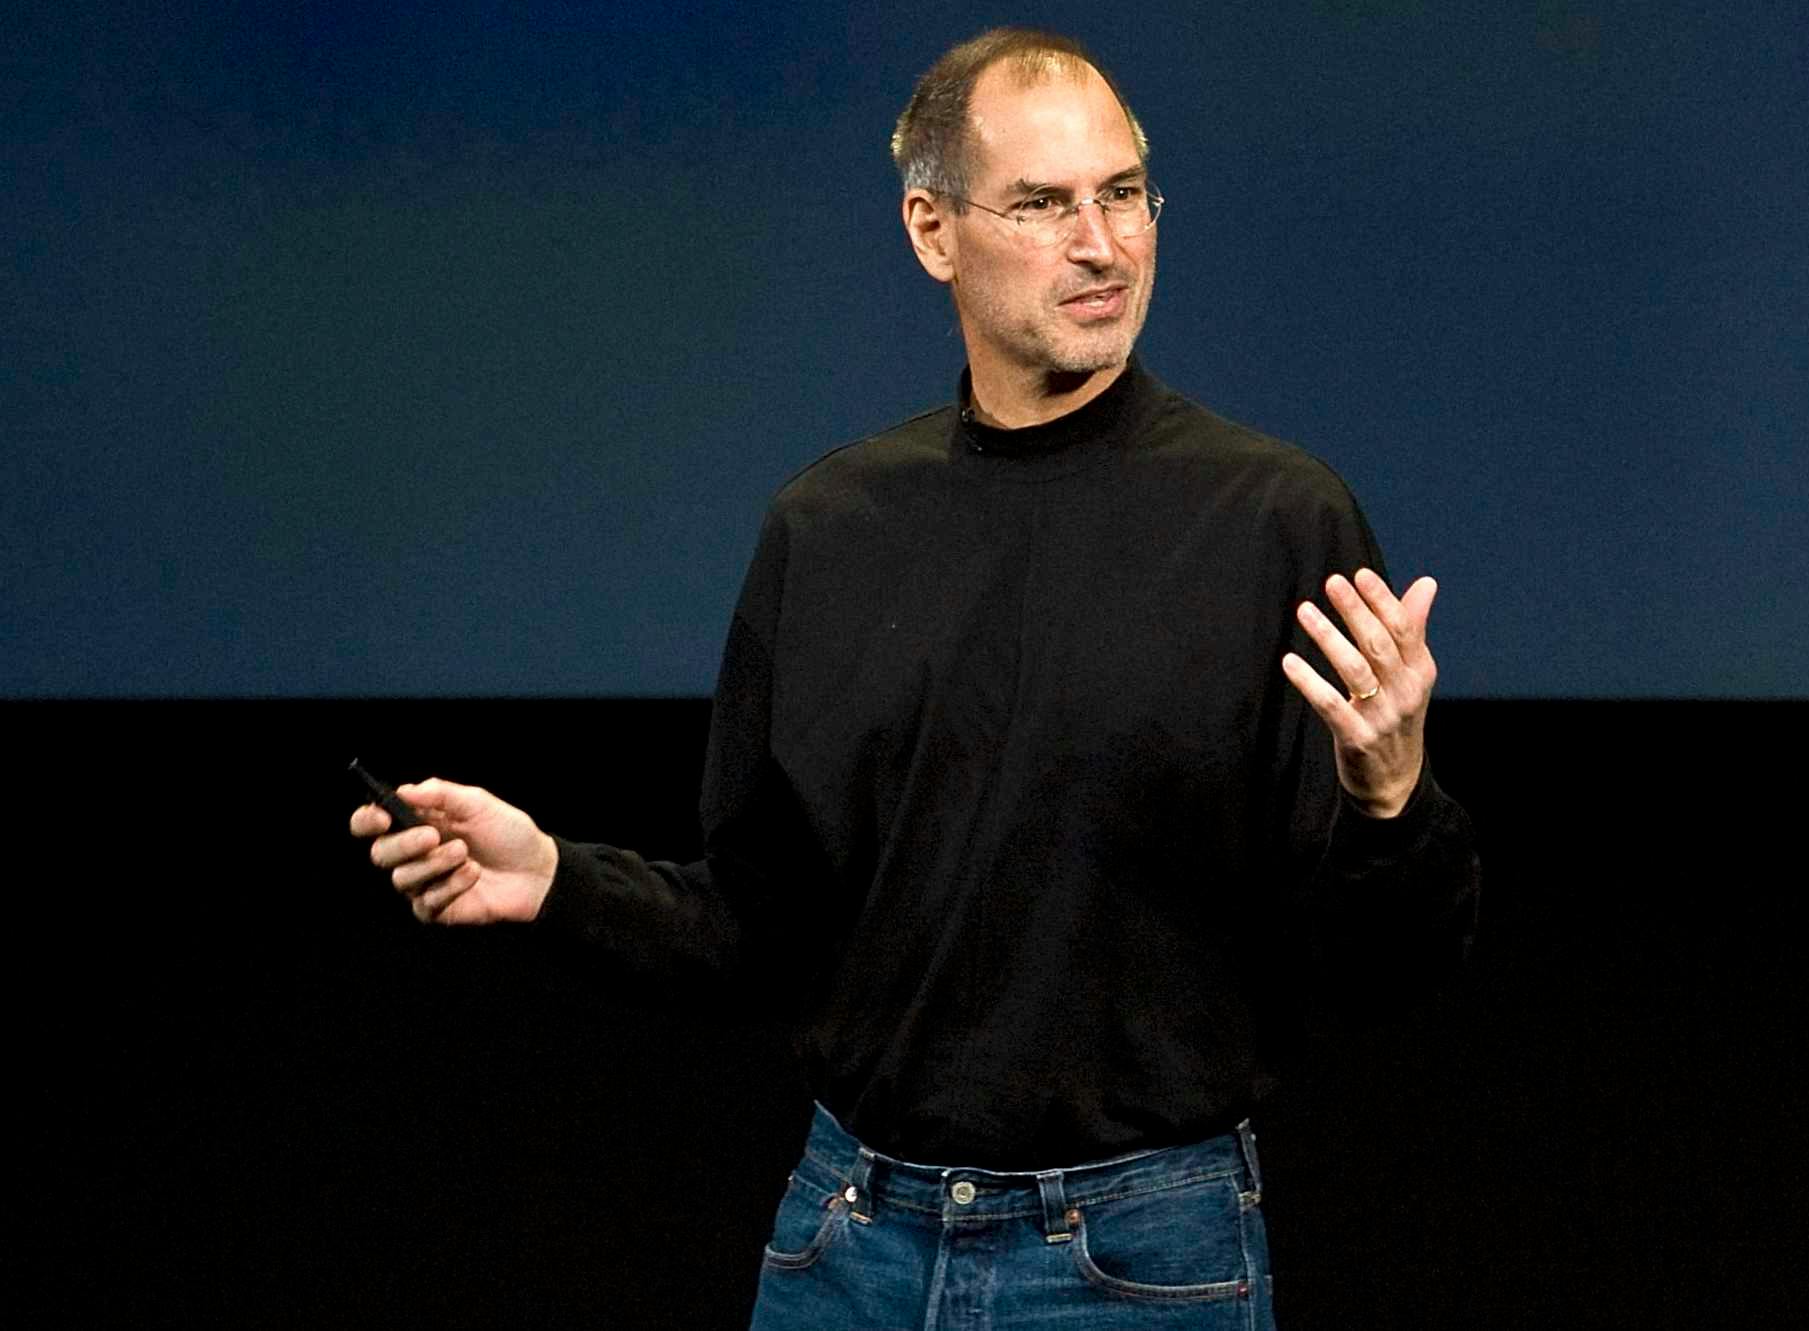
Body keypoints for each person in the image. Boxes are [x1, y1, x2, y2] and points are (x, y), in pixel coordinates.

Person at [352, 27, 1478, 1329]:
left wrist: (1395, 801)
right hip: (851, 1249)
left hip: (1142, 1261)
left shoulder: (1273, 519)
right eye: (1044, 204)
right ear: (932, 230)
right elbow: (761, 931)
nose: (1102, 244)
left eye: (1123, 194)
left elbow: (1384, 978)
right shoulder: (830, 531)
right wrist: (555, 880)